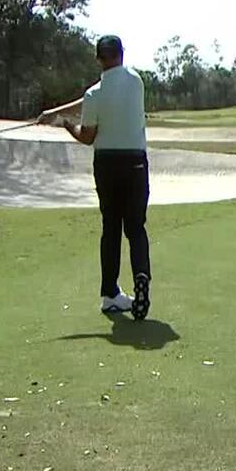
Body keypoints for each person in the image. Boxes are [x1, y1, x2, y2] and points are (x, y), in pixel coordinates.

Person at [40, 35, 152, 320]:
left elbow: (87, 135)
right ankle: (141, 276)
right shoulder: (136, 82)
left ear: (98, 59)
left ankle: (111, 294)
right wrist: (55, 112)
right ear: (121, 54)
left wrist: (64, 123)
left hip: (107, 165)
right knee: (136, 228)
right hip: (136, 163)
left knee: (111, 228)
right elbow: (102, 95)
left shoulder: (94, 94)